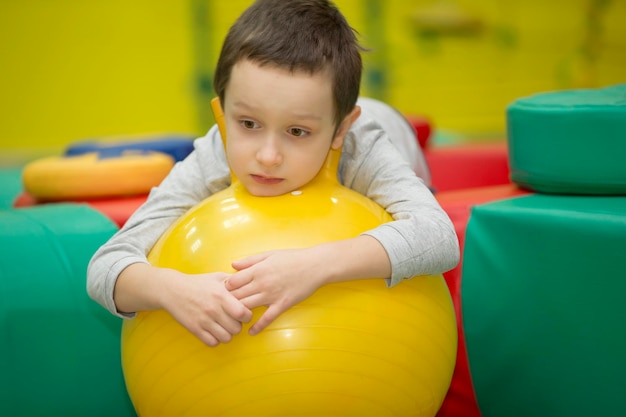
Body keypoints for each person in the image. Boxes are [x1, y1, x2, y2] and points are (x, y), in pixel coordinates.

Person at [87, 0, 459, 348]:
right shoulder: (217, 154)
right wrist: (171, 288)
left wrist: (313, 265)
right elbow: (106, 265)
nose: (267, 156)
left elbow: (438, 236)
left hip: (393, 131)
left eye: (297, 132)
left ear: (339, 131)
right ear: (221, 112)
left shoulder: (360, 147)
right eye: (248, 123)